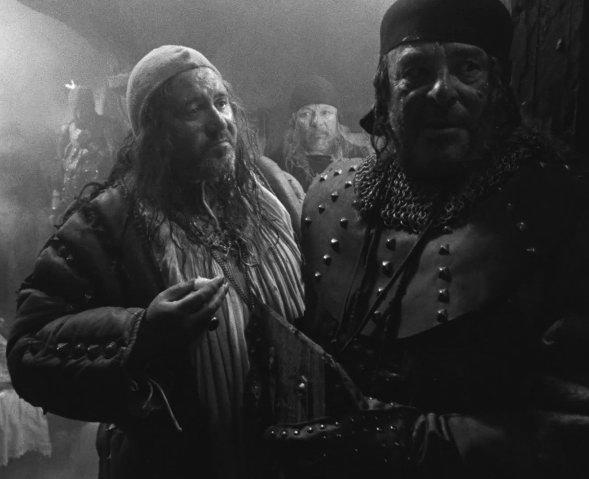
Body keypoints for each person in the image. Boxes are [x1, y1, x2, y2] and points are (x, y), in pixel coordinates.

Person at [265, 0, 589, 477]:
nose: (441, 90)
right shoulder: (331, 201)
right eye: (416, 70)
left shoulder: (561, 212)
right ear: (385, 90)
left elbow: (572, 430)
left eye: (468, 67)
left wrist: (409, 440)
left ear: (498, 86)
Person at [7, 45, 305, 479]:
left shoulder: (271, 193)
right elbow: (28, 350)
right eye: (193, 109)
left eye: (221, 102)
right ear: (154, 129)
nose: (218, 122)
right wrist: (141, 333)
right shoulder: (107, 224)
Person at [274, 75, 370, 190]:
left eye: (325, 113)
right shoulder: (279, 164)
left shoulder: (360, 158)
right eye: (306, 114)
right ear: (294, 121)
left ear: (337, 119)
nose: (317, 122)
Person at [54, 85, 124, 218]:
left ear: (91, 105)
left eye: (83, 108)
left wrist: (91, 145)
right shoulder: (67, 131)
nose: (79, 114)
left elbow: (119, 163)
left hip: (101, 205)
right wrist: (55, 205)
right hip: (70, 206)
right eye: (75, 109)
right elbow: (61, 170)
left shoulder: (108, 127)